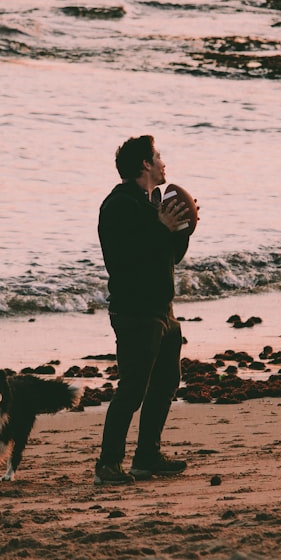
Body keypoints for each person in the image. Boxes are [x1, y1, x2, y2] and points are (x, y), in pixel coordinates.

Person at [94, 135, 193, 485]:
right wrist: (160, 227)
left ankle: (146, 457)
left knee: (166, 383)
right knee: (133, 389)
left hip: (162, 309)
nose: (164, 162)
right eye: (159, 156)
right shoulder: (119, 205)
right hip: (135, 311)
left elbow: (169, 257)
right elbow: (125, 260)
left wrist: (183, 227)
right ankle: (108, 465)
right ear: (145, 165)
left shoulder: (152, 204)